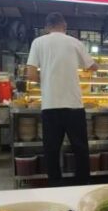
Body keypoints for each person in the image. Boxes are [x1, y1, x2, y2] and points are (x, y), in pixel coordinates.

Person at [26, 12, 97, 186]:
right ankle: (82, 184)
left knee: (51, 150)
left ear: (46, 27)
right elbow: (92, 67)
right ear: (64, 26)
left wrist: (47, 79)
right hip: (74, 106)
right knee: (80, 148)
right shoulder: (75, 42)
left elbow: (31, 74)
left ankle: (55, 185)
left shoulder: (38, 42)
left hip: (50, 106)